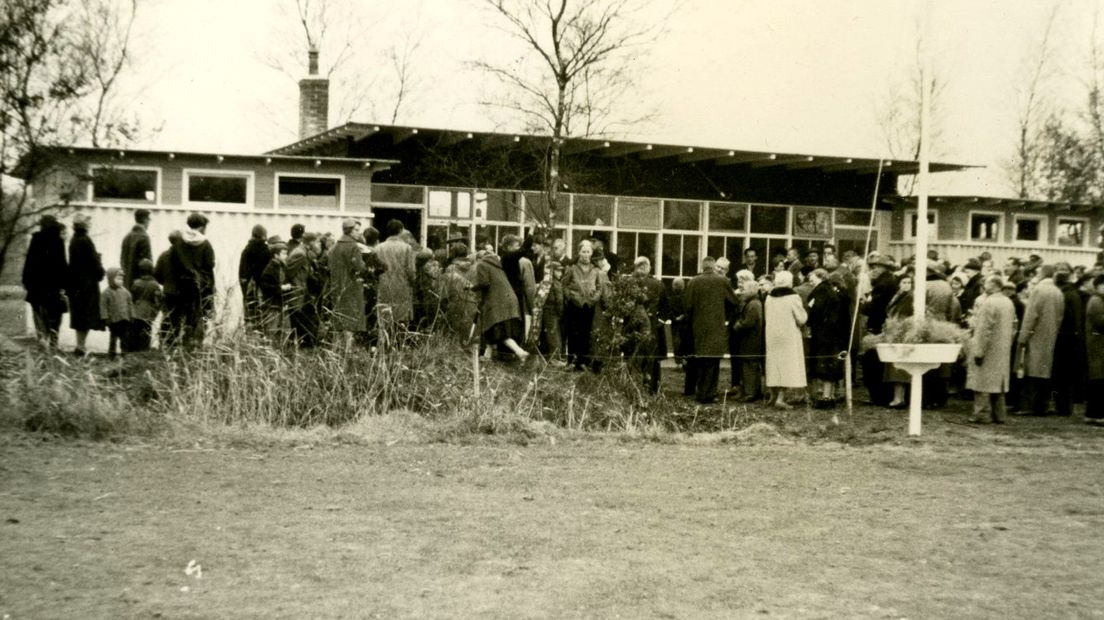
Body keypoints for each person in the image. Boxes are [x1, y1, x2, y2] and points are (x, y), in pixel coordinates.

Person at [683, 257, 737, 403]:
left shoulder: (694, 281)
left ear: (702, 266)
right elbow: (734, 301)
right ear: (713, 267)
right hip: (716, 326)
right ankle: (710, 393)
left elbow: (687, 305)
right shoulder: (723, 281)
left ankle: (701, 392)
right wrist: (725, 315)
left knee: (701, 359)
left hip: (698, 326)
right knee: (713, 361)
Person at [967, 275, 1017, 424]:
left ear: (994, 285)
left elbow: (983, 329)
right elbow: (1014, 326)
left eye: (986, 283)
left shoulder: (989, 303)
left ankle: (981, 414)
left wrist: (978, 351)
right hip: (1002, 347)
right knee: (998, 383)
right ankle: (999, 414)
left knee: (982, 381)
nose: (984, 286)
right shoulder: (1008, 302)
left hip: (989, 348)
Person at [1016, 264, 1065, 416]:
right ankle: (1041, 406)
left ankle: (1028, 406)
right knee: (1044, 372)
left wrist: (1023, 337)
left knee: (1031, 371)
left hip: (1035, 335)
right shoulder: (1058, 292)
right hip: (1050, 335)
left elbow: (1031, 316)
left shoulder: (1038, 290)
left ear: (1042, 274)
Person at [471, 246, 528, 362]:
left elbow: (484, 283)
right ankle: (487, 356)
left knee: (499, 332)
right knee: (492, 329)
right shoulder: (496, 265)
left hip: (498, 303)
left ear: (478, 258)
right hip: (509, 300)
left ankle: (520, 352)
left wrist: (472, 287)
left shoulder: (481, 264)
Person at [22, 215, 68, 350]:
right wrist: (64, 284)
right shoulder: (58, 241)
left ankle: (42, 339)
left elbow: (29, 262)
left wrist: (27, 281)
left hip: (36, 286)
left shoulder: (35, 239)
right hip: (53, 286)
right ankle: (53, 342)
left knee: (38, 313)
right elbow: (62, 264)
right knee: (54, 314)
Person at [171, 213, 216, 349]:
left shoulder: (179, 243)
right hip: (203, 286)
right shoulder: (205, 243)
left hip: (182, 286)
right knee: (206, 313)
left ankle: (186, 342)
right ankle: (198, 341)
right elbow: (210, 264)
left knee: (186, 316)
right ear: (202, 227)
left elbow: (173, 263)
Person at [562, 240, 608, 370]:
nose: (585, 254)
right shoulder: (572, 268)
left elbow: (599, 286)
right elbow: (564, 285)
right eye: (583, 251)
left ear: (591, 254)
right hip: (574, 305)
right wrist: (570, 297)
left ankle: (582, 361)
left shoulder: (595, 270)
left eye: (588, 252)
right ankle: (571, 361)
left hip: (589, 305)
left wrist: (594, 298)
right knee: (573, 332)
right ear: (579, 253)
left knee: (585, 332)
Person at [764, 270, 807, 408]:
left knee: (773, 363)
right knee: (786, 365)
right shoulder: (793, 297)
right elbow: (801, 318)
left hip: (772, 334)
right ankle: (781, 398)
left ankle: (772, 395)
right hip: (788, 335)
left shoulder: (769, 296)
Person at [806, 268, 846, 408]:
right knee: (829, 364)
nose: (810, 279)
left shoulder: (822, 290)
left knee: (824, 365)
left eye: (812, 277)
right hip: (832, 333)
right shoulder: (828, 289)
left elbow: (816, 310)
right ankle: (829, 395)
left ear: (820, 277)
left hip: (824, 333)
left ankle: (825, 398)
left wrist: (809, 321)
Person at [67, 214, 105, 356]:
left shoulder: (74, 240)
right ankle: (81, 347)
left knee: (80, 316)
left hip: (76, 284)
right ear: (84, 225)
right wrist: (100, 268)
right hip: (87, 284)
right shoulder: (85, 240)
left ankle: (80, 346)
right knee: (87, 316)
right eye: (88, 223)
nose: (90, 225)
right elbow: (93, 262)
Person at [327, 219, 367, 352]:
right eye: (356, 230)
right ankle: (348, 352)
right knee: (350, 322)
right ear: (349, 230)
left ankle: (335, 352)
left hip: (336, 287)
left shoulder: (334, 247)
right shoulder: (353, 246)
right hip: (351, 287)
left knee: (338, 322)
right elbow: (360, 268)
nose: (358, 233)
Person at [629, 256, 667, 394]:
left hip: (650, 325)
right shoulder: (630, 283)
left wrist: (660, 322)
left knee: (648, 356)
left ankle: (649, 387)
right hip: (638, 326)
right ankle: (647, 388)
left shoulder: (657, 284)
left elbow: (665, 307)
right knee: (641, 355)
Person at [1053, 263, 1086, 417]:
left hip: (1065, 337)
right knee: (1066, 375)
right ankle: (1064, 407)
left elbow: (1067, 317)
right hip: (1072, 337)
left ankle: (1063, 407)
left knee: (1063, 374)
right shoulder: (1073, 293)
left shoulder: (1066, 294)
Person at [375, 219, 417, 339]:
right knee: (401, 321)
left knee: (384, 320)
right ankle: (398, 348)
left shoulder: (378, 248)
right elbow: (411, 271)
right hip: (402, 288)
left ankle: (385, 348)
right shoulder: (407, 248)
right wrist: (412, 283)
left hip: (383, 288)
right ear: (401, 230)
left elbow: (375, 270)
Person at [285, 232, 323, 347]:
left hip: (301, 291)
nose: (317, 244)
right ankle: (302, 346)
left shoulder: (303, 252)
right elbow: (289, 272)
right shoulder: (300, 254)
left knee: (305, 319)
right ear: (310, 242)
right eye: (316, 241)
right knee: (299, 320)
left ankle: (305, 345)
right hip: (297, 292)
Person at [730, 277, 764, 402]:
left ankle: (751, 392)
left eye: (744, 289)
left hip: (751, 340)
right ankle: (748, 390)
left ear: (750, 290)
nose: (742, 291)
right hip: (749, 340)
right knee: (747, 365)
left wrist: (738, 325)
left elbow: (749, 322)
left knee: (750, 366)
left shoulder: (753, 304)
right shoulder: (752, 303)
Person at [258, 236, 291, 341]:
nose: (286, 256)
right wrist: (281, 288)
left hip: (281, 304)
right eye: (284, 254)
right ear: (276, 255)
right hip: (272, 305)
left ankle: (281, 351)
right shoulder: (270, 269)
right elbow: (265, 287)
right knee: (272, 330)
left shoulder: (282, 266)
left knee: (285, 329)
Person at [154, 230, 183, 349]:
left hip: (168, 292)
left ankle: (163, 343)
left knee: (167, 318)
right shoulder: (184, 256)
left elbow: (156, 273)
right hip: (181, 293)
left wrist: (165, 283)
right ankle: (174, 344)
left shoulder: (163, 255)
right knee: (178, 319)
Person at [239, 224, 270, 331]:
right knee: (263, 318)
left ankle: (251, 339)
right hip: (262, 289)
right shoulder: (266, 251)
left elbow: (241, 274)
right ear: (263, 236)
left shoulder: (246, 250)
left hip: (249, 288)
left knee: (250, 316)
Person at [99, 267, 134, 359]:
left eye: (122, 279)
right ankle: (112, 353)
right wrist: (105, 317)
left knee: (125, 338)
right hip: (113, 320)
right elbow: (103, 306)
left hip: (124, 319)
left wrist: (132, 315)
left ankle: (124, 353)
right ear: (111, 279)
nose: (121, 281)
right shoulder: (106, 293)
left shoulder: (125, 292)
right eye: (118, 279)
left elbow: (130, 303)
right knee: (113, 338)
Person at [129, 259, 162, 352]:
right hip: (148, 313)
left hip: (136, 312)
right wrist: (154, 313)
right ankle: (144, 351)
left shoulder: (136, 283)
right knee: (146, 334)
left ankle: (133, 351)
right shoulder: (155, 285)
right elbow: (158, 301)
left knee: (134, 333)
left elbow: (132, 298)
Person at [1084, 274, 1104, 424]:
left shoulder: (1097, 300)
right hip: (1097, 346)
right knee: (1098, 380)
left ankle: (1094, 413)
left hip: (1098, 345)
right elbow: (1100, 322)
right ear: (1098, 286)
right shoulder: (1096, 301)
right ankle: (1095, 414)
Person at [120, 209, 151, 289]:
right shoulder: (144, 237)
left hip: (126, 282)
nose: (149, 222)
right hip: (139, 283)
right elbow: (146, 262)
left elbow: (122, 260)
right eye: (149, 219)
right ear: (145, 220)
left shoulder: (127, 237)